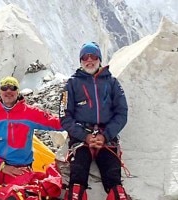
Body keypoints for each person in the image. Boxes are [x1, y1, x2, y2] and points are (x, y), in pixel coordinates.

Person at [59, 42, 129, 200]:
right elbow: (64, 115)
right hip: (81, 139)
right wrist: (85, 136)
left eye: (93, 56)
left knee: (113, 177)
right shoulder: (71, 84)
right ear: (81, 60)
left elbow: (122, 112)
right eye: (85, 57)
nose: (89, 60)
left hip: (106, 138)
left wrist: (105, 135)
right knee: (77, 176)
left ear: (100, 59)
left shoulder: (112, 83)